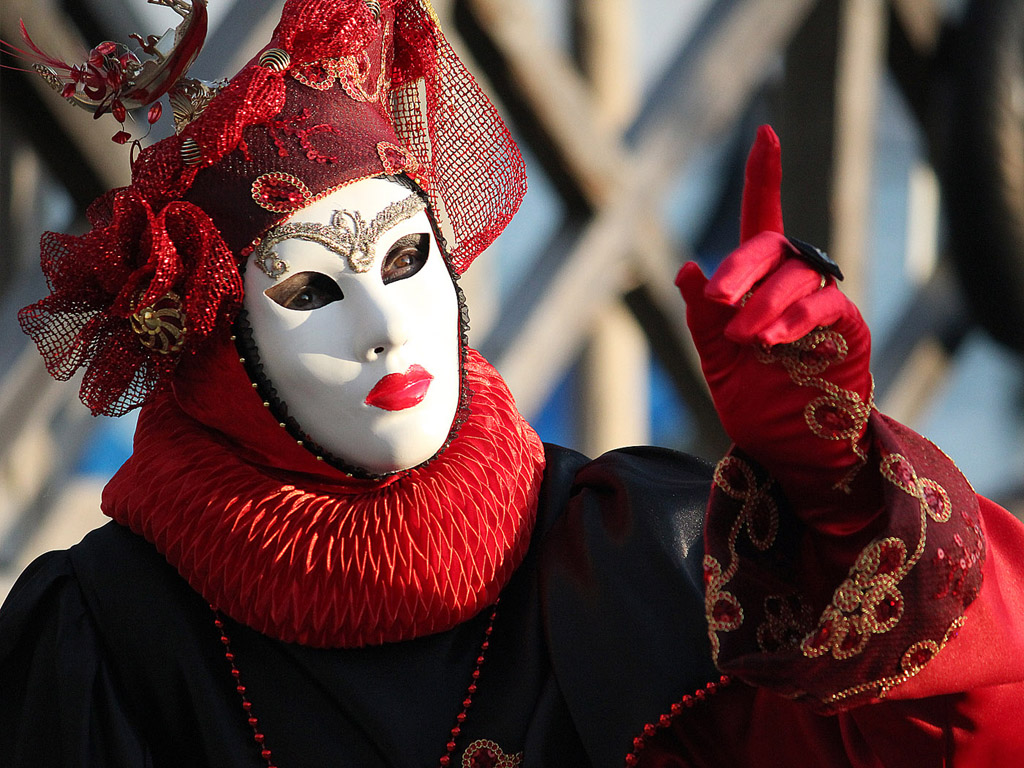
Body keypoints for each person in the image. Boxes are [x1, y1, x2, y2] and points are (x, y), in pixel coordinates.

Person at [1, 1, 1022, 766]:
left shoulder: (643, 560)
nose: (382, 330)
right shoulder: (107, 641)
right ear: (218, 354)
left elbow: (966, 730)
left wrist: (832, 485)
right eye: (310, 290)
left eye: (407, 262)